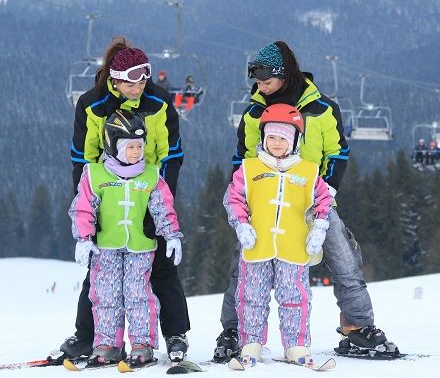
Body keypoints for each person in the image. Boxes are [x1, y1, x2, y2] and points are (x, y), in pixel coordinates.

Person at [215, 41, 398, 363]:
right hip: (264, 204)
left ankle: (357, 328)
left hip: (314, 201)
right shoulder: (255, 113)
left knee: (344, 259)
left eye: (265, 80)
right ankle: (234, 331)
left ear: (284, 75)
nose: (260, 87)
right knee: (245, 265)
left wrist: (323, 194)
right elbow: (242, 159)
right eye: (256, 82)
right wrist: (245, 201)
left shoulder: (321, 109)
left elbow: (338, 153)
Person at [60, 37, 189, 364]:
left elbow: (170, 152)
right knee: (101, 269)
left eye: (144, 79)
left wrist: (158, 195)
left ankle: (174, 332)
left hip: (150, 187)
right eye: (134, 80)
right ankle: (88, 336)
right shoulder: (92, 104)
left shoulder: (158, 102)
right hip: (108, 190)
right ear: (116, 79)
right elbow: (83, 156)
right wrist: (92, 204)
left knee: (159, 262)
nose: (140, 86)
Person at [69, 110, 183, 368]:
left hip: (140, 248)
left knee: (138, 294)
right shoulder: (95, 175)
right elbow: (83, 208)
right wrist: (84, 238)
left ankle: (142, 344)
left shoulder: (151, 175)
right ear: (113, 146)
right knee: (105, 295)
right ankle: (108, 344)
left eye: (139, 146)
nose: (136, 152)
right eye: (129, 146)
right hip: (106, 247)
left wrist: (172, 234)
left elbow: (163, 208)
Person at [224, 104, 333, 366]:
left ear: (295, 140)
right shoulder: (250, 169)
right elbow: (233, 198)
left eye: (283, 138)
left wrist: (320, 226)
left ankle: (295, 345)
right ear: (263, 138)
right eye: (271, 137)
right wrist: (241, 224)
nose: (276, 143)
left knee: (294, 296)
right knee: (252, 295)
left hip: (294, 246)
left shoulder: (308, 171)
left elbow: (324, 201)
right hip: (257, 244)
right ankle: (251, 343)